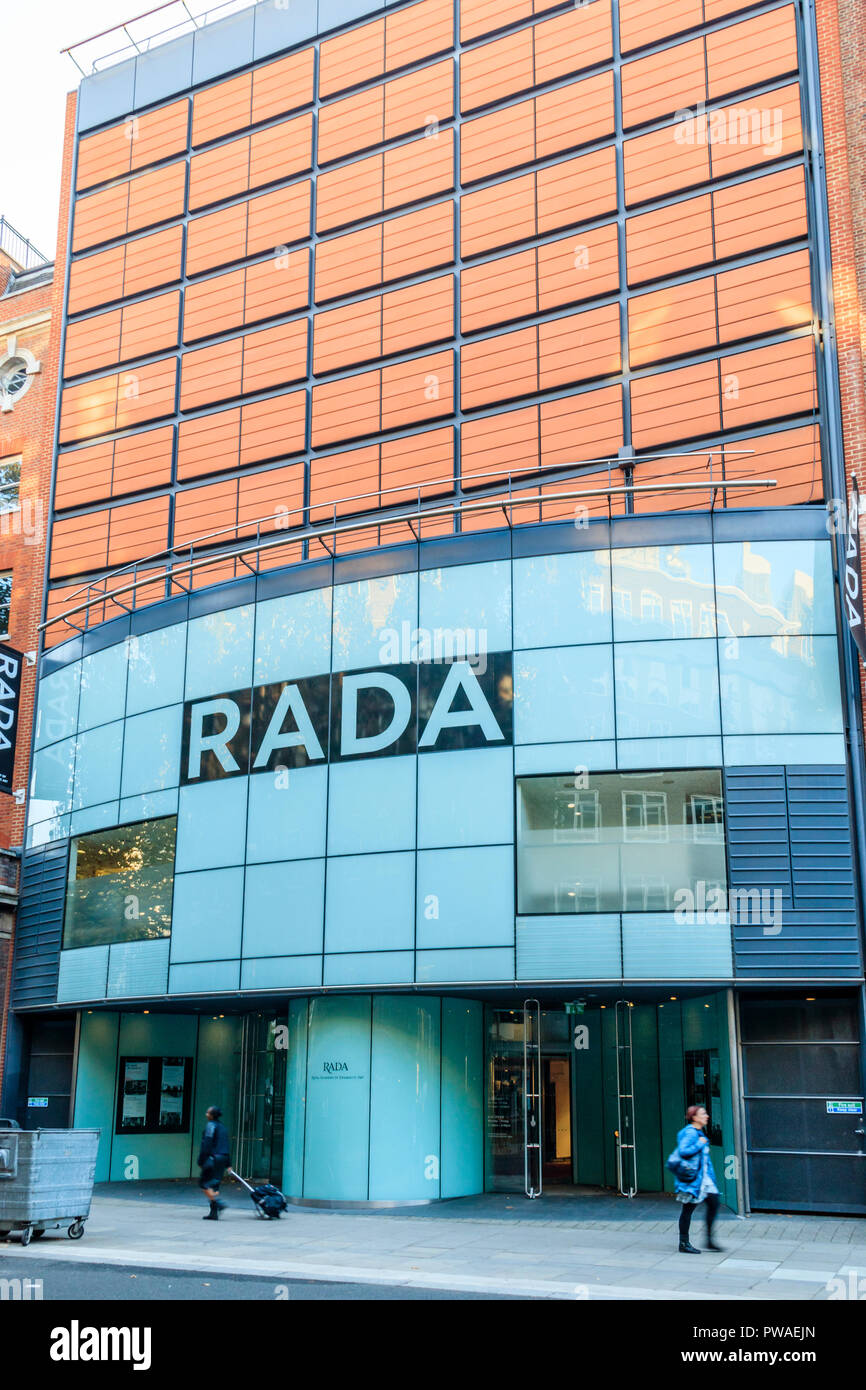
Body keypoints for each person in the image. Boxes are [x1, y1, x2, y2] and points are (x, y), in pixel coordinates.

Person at [673, 1104, 722, 1253]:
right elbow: (684, 1152)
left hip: (704, 1181)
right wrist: (698, 1145)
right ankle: (683, 1243)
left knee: (714, 1204)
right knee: (687, 1209)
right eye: (703, 1114)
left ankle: (709, 1241)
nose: (707, 1116)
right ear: (694, 1117)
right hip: (693, 1181)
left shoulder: (699, 1133)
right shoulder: (690, 1133)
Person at [198, 1105, 231, 1221]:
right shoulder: (223, 1127)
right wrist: (228, 1163)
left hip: (213, 1158)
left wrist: (202, 1159)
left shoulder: (210, 1126)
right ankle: (213, 1213)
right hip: (222, 1158)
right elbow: (226, 1145)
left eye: (208, 1113)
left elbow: (207, 1144)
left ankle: (218, 1203)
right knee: (214, 1185)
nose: (206, 1114)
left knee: (204, 1183)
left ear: (212, 1115)